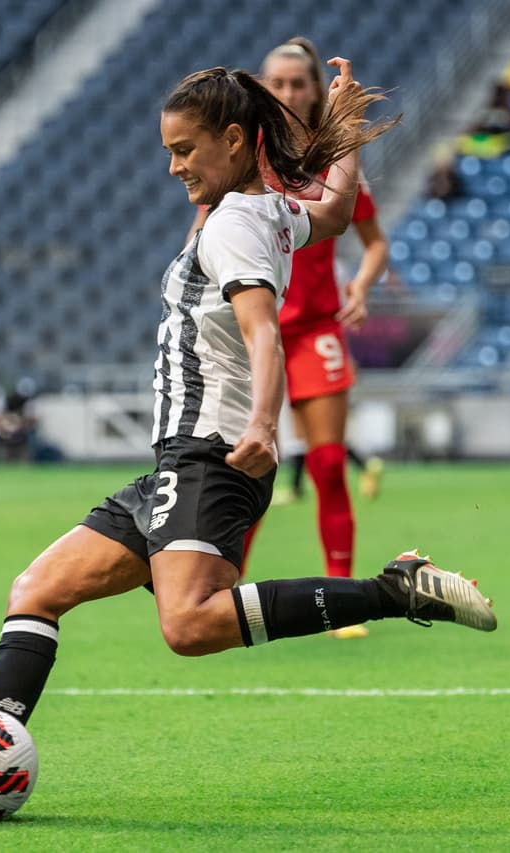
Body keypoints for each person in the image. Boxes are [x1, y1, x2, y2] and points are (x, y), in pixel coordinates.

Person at [0, 57, 496, 810]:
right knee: (36, 590)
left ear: (235, 140)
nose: (172, 165)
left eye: (185, 149)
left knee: (190, 624)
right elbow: (334, 214)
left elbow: (264, 336)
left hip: (213, 454)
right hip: (179, 459)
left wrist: (268, 421)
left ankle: (393, 591)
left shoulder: (237, 222)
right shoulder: (266, 210)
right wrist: (346, 131)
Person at [186, 38, 390, 638]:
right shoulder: (244, 166)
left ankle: (342, 596)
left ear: (313, 87)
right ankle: (222, 592)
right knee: (247, 468)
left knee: (327, 463)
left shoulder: (335, 160)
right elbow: (203, 239)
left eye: (299, 82)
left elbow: (368, 236)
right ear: (262, 90)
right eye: (276, 83)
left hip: (315, 330)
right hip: (254, 340)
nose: (289, 92)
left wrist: (362, 286)